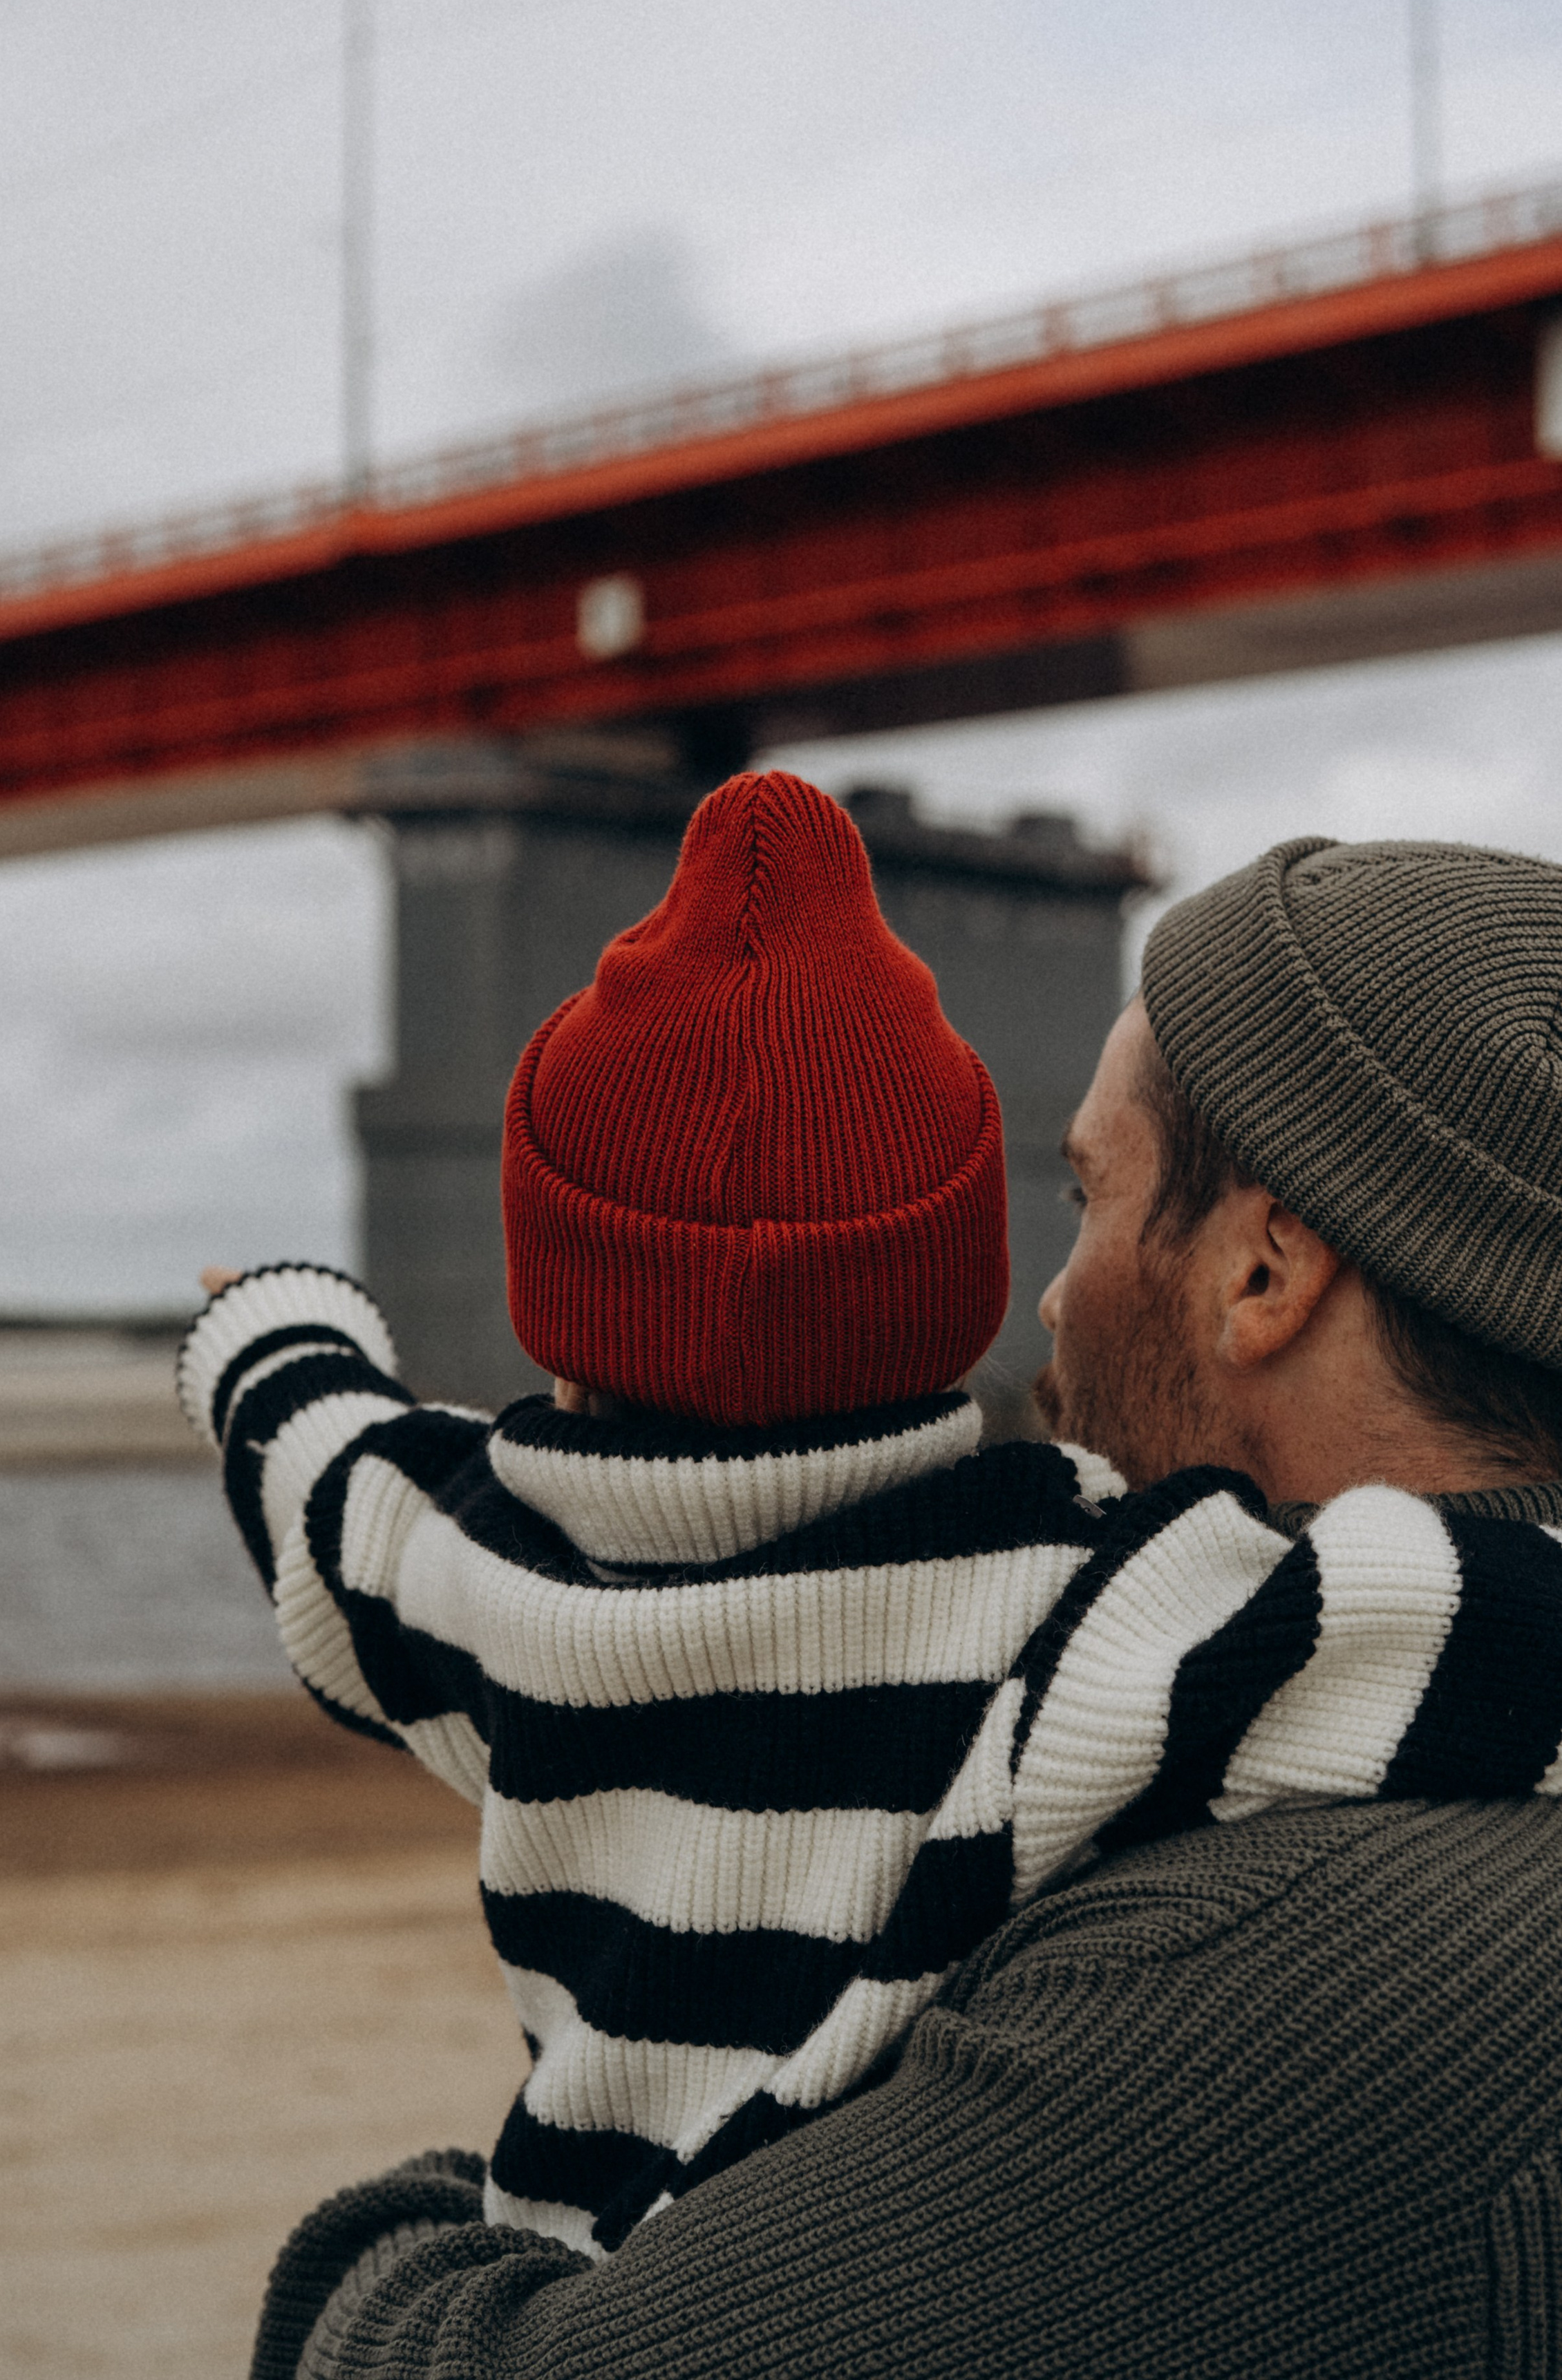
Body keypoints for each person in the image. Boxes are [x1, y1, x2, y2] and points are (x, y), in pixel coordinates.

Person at [233, 831, 1562, 2380]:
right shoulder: (1242, 1677)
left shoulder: (1256, 1979)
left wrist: (436, 2225)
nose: (1051, 1300)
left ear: (1261, 1272)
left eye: (1086, 1193)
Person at [180, 769, 1127, 2265]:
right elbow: (1437, 1624)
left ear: (562, 1314)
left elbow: (310, 1453)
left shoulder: (483, 1579)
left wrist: (266, 1317)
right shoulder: (1103, 1591)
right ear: (951, 1302)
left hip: (583, 2286)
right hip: (912, 2288)